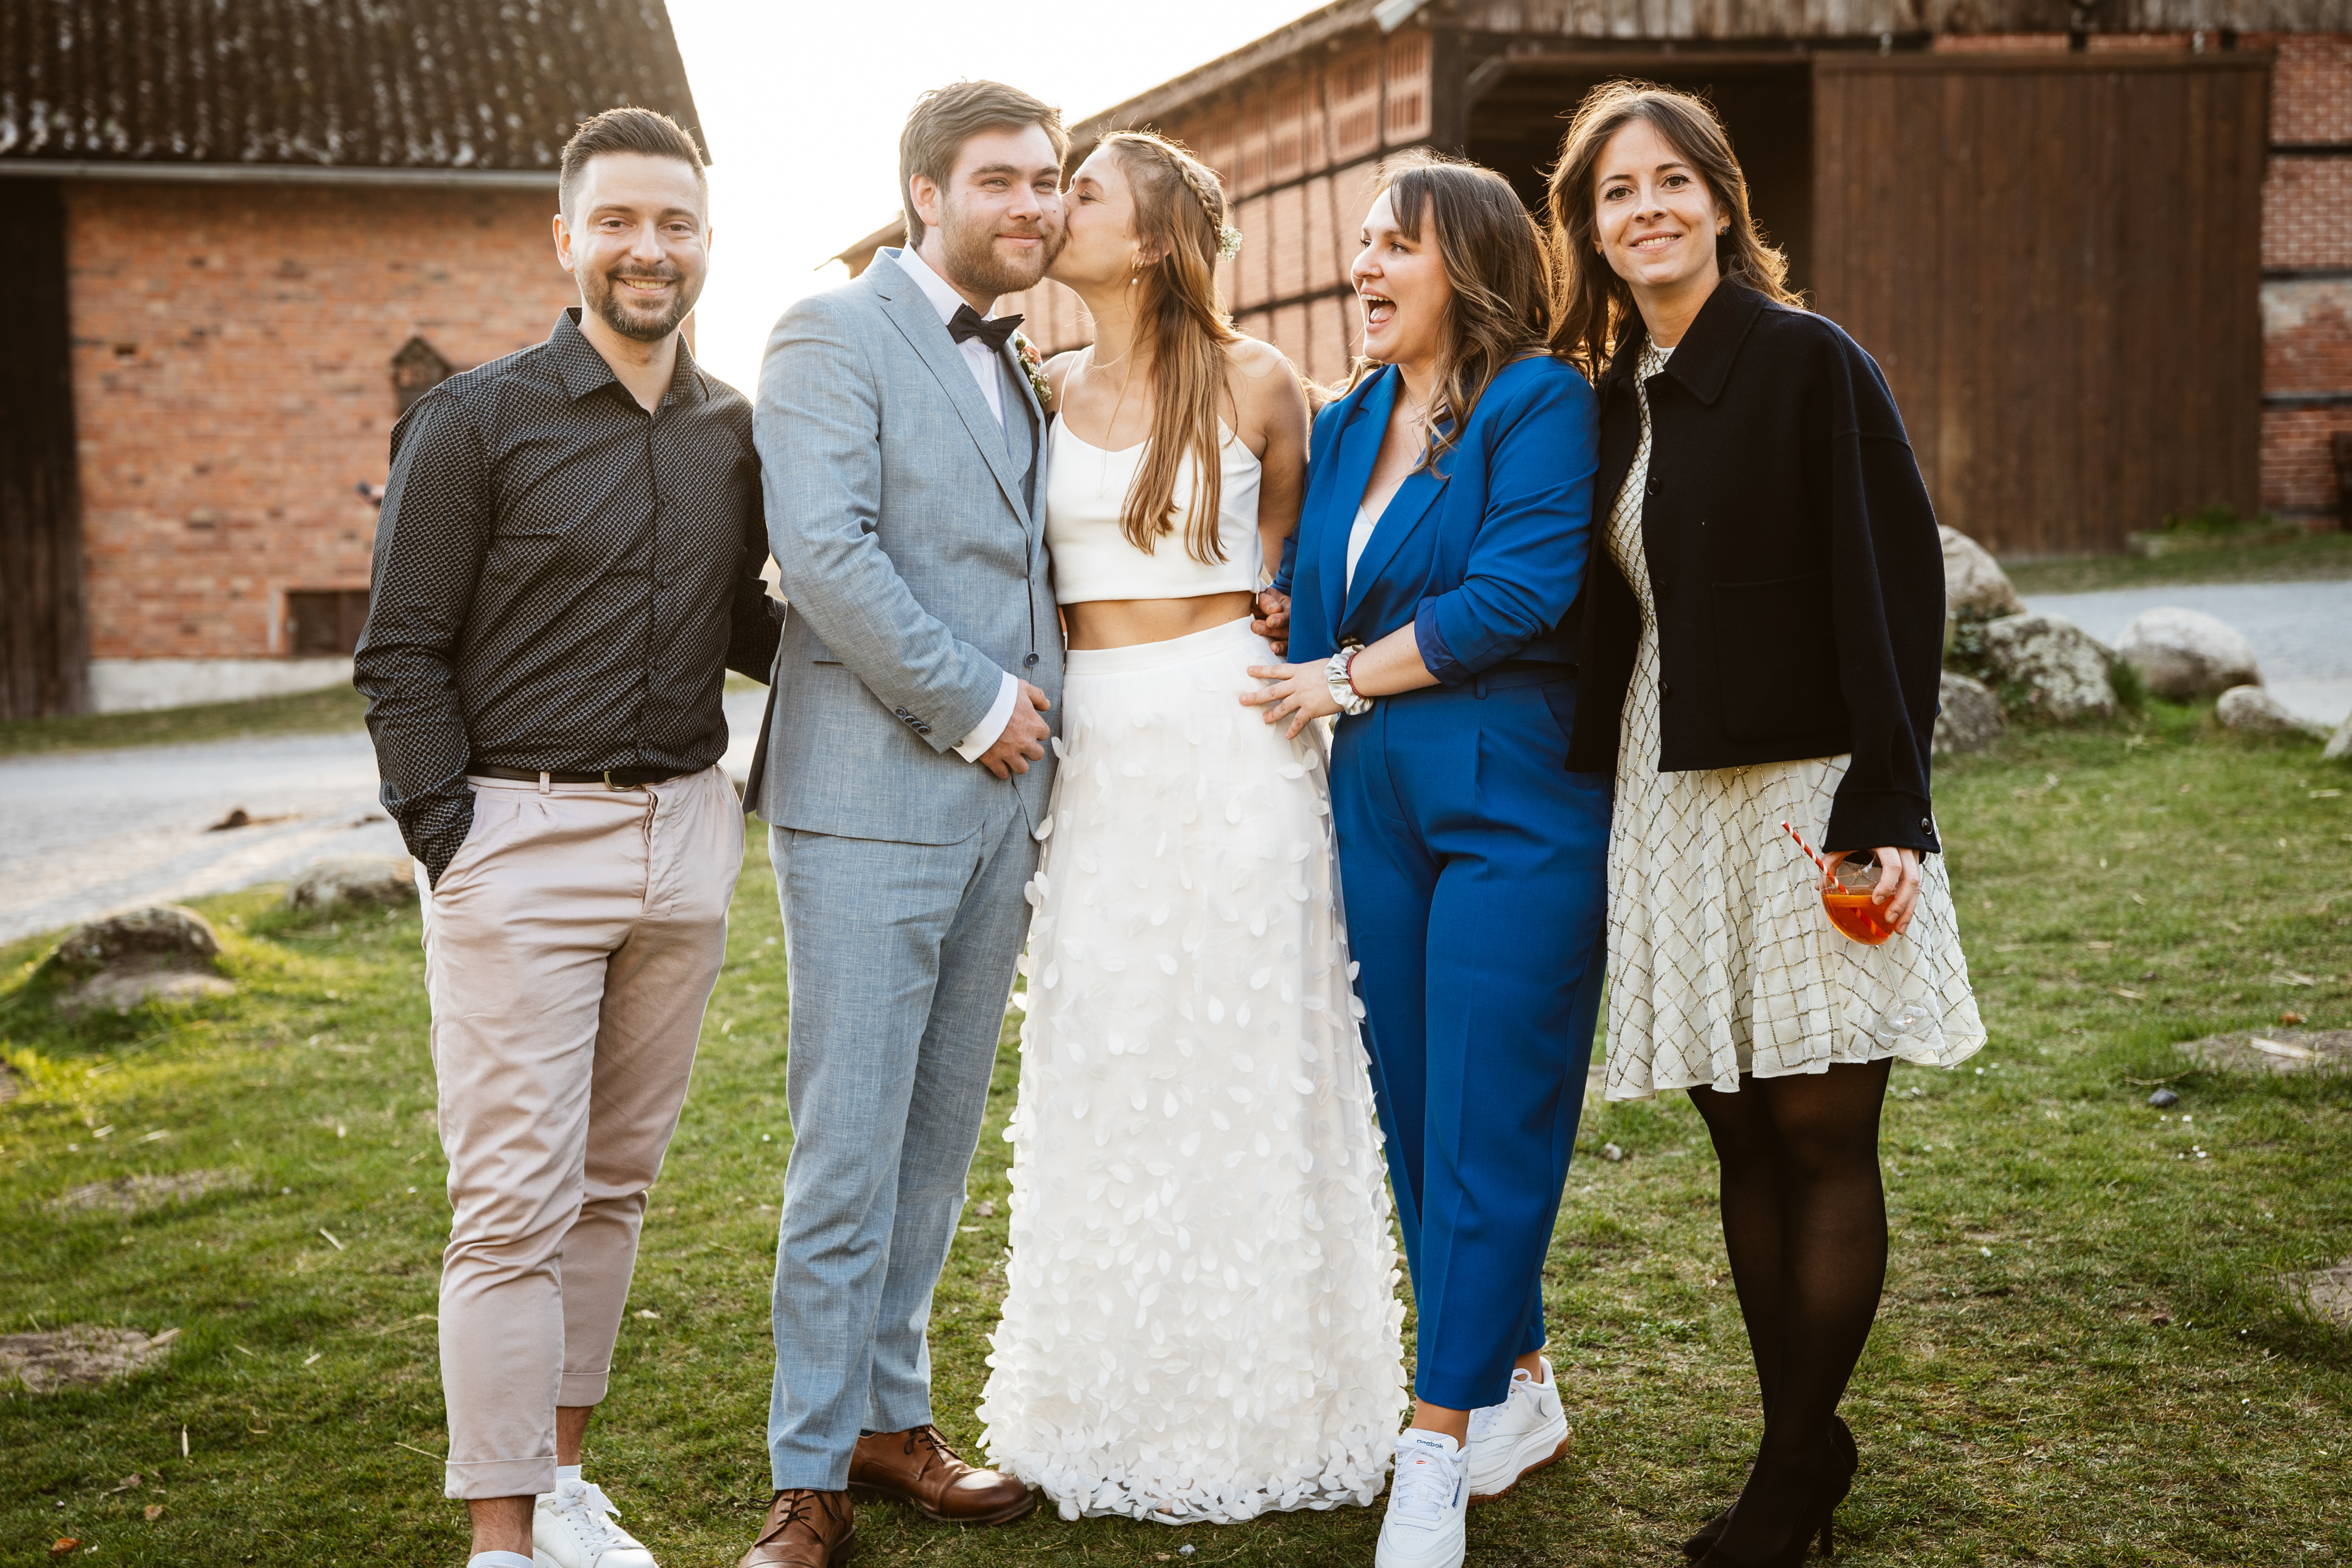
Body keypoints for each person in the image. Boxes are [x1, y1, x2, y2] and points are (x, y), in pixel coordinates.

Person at [1546, 82, 1986, 1567]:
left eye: (1672, 180)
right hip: (1668, 790)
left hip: (1809, 787)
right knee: (1735, 1125)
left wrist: (1888, 801)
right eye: (1617, 191)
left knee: (1818, 1124)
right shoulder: (1610, 396)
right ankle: (1805, 1435)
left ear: (1722, 202)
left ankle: (1789, 1475)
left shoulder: (1808, 361)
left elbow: (1895, 582)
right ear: (1588, 227)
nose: (1647, 209)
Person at [354, 107, 778, 1568]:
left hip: (685, 836)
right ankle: (501, 1540)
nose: (647, 249)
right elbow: (400, 651)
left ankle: (565, 1487)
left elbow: (748, 629)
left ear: (708, 243)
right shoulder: (474, 420)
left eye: (674, 223)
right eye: (617, 222)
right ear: (566, 239)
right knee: (509, 1204)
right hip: (516, 842)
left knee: (612, 1187)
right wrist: (451, 837)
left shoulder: (735, 431)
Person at [973, 131, 1407, 1526]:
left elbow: (1316, 554)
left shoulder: (1259, 380)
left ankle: (1277, 1400)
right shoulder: (1036, 388)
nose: (1054, 210)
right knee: (1110, 1052)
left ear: (1156, 235)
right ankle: (1099, 1401)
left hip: (1233, 735)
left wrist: (1295, 609)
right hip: (1096, 746)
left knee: (1249, 1051)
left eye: (1082, 192)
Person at [1243, 153, 1609, 1568]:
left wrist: (1341, 671)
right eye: (1360, 245)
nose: (1364, 268)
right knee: (1414, 1105)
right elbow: (1317, 601)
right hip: (1372, 797)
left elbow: (1521, 590)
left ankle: (1435, 1440)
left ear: (1470, 262)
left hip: (1512, 786)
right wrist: (1284, 622)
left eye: (1394, 245)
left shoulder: (1538, 401)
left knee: (1487, 1104)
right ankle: (1516, 1380)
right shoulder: (1346, 422)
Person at [735, 81, 1066, 1568]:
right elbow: (823, 552)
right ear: (924, 192)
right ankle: (806, 1469)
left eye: (1047, 180)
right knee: (849, 1145)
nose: (1032, 204)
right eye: (999, 179)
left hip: (1006, 807)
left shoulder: (1023, 363)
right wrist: (978, 704)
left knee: (935, 1140)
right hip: (874, 796)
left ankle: (888, 1415)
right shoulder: (828, 330)